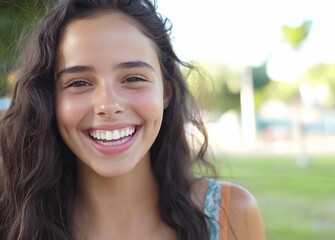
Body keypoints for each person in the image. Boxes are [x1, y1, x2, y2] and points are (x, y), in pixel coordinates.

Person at [0, 0, 265, 239]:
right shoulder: (11, 222)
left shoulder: (231, 213)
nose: (108, 105)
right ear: (49, 100)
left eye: (133, 78)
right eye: (79, 82)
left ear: (166, 92)